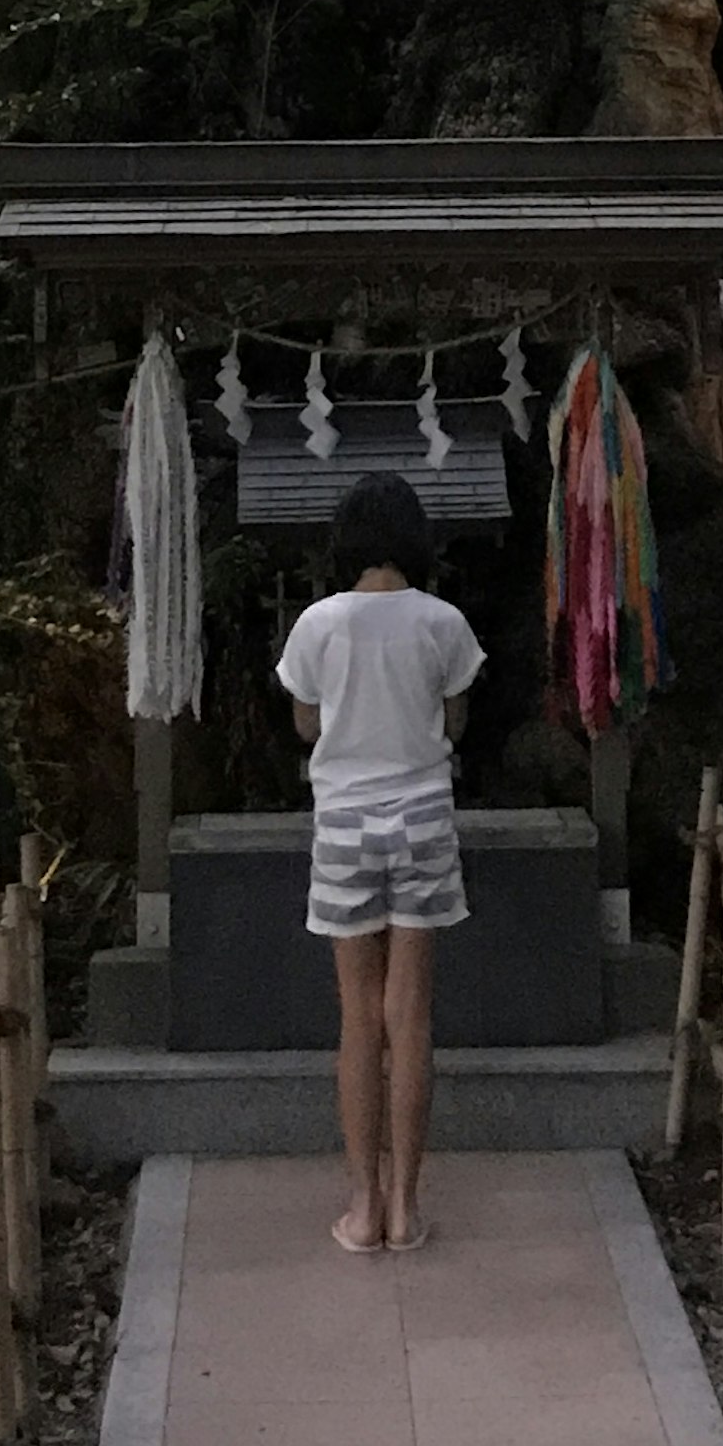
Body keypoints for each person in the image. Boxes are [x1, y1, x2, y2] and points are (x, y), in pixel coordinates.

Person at [277, 467, 481, 1254]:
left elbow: (304, 724)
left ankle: (361, 1208)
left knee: (358, 1018)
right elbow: (455, 719)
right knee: (412, 1016)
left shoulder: (318, 625)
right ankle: (407, 1206)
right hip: (423, 816)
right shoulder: (443, 622)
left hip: (345, 823)